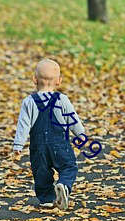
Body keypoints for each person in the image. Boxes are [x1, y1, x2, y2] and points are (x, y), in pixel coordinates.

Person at [13, 59, 85, 210]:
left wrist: (18, 144)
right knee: (69, 167)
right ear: (59, 81)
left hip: (38, 147)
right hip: (60, 144)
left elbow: (23, 125)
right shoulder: (62, 99)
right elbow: (72, 119)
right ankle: (63, 185)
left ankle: (46, 199)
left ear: (35, 79)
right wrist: (80, 134)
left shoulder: (29, 102)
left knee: (41, 172)